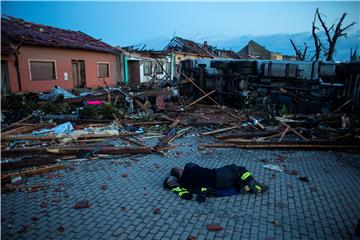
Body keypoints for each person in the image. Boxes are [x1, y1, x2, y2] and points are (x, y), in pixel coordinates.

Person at [163, 162, 268, 202]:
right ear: (179, 172)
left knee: (236, 179)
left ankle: (248, 187)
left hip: (219, 186)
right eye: (179, 169)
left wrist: (174, 184)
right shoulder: (188, 167)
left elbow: (189, 195)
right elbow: (191, 165)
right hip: (218, 175)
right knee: (238, 169)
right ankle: (252, 183)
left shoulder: (187, 186)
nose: (181, 168)